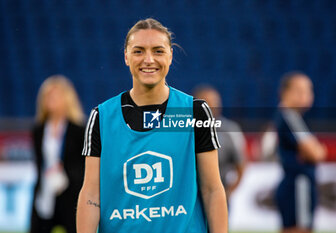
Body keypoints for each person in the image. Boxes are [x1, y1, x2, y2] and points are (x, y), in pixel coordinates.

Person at [76, 18, 227, 233]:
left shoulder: (193, 111)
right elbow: (91, 194)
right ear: (126, 57)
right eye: (138, 51)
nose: (148, 59)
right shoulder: (102, 116)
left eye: (158, 51)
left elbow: (212, 189)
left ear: (170, 56)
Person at [30, 75, 85, 233]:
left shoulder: (78, 130)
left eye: (56, 96)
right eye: (47, 96)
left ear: (67, 98)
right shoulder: (39, 130)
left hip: (71, 193)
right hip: (45, 192)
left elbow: (83, 164)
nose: (51, 100)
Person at [274, 71, 327, 233]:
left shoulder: (294, 118)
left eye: (309, 90)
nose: (307, 95)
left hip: (295, 184)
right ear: (285, 93)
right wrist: (317, 149)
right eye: (300, 90)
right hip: (298, 185)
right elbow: (316, 153)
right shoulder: (290, 117)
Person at [193, 85, 246, 203]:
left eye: (215, 102)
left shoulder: (230, 129)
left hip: (219, 193)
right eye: (207, 102)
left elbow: (241, 165)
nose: (212, 106)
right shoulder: (185, 128)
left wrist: (229, 191)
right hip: (192, 195)